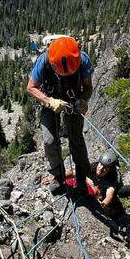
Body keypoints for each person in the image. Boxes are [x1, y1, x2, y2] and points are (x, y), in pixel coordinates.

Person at [26, 35, 94, 194]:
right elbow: (31, 87)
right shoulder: (44, 61)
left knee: (76, 137)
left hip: (74, 99)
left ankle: (82, 177)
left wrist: (83, 101)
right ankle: (58, 175)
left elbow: (88, 87)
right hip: (49, 99)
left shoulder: (83, 60)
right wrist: (48, 101)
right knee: (49, 141)